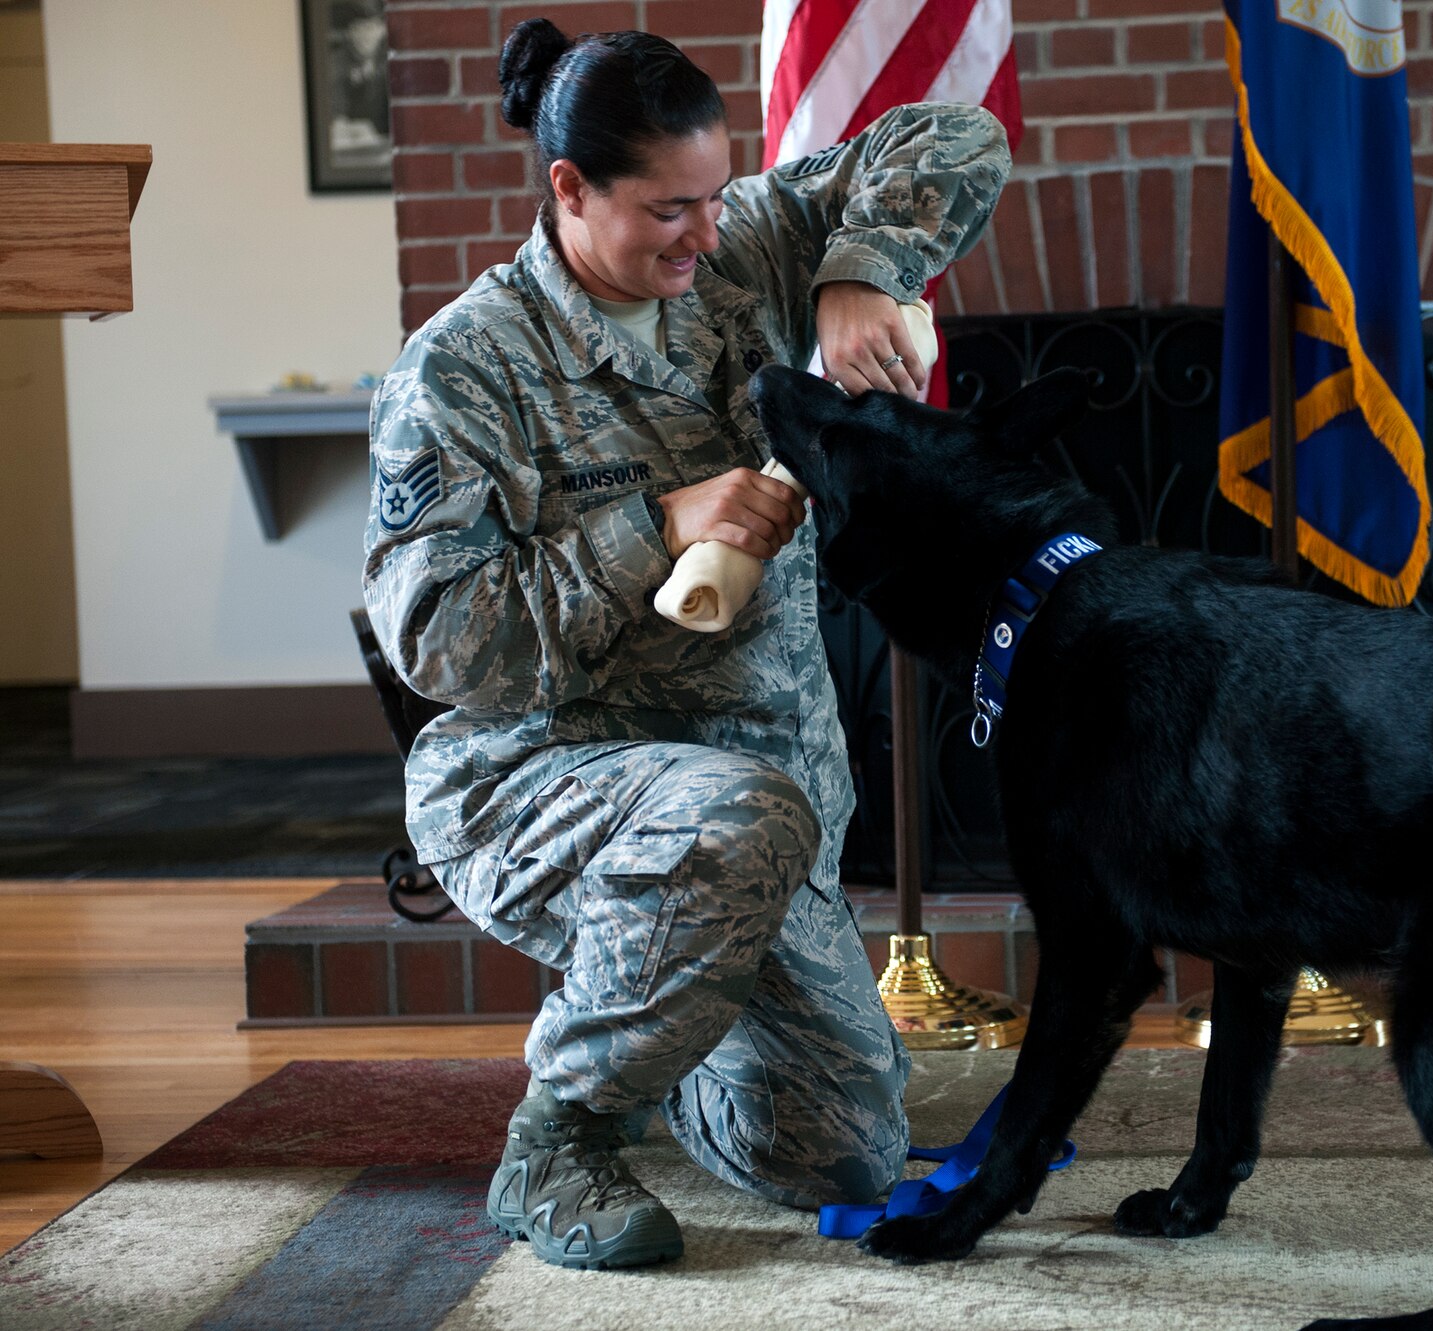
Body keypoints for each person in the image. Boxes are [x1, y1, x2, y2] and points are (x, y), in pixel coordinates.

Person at [361, 17, 1010, 1270]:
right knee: (733, 815)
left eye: (717, 197)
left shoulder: (745, 245)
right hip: (538, 779)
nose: (707, 234)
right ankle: (558, 1137)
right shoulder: (465, 366)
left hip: (758, 814)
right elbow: (444, 649)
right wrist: (659, 522)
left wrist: (860, 269)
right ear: (569, 188)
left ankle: (664, 1018)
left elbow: (957, 131)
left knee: (845, 1153)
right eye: (669, 210)